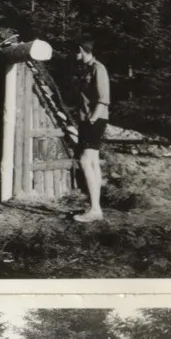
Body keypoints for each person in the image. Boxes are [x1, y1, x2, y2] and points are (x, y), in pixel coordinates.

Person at [73, 38, 110, 223]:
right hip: (88, 119)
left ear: (83, 50)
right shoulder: (85, 70)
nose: (75, 55)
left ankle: (95, 209)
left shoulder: (98, 68)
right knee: (93, 163)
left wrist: (92, 119)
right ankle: (96, 208)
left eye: (77, 52)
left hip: (95, 119)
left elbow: (104, 98)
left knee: (85, 161)